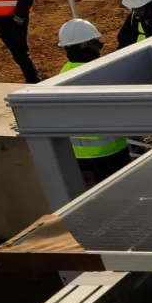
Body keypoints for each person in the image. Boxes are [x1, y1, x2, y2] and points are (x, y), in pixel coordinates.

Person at [55, 19, 130, 185]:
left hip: (79, 158)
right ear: (84, 45)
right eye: (97, 43)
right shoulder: (97, 75)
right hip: (110, 155)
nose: (100, 48)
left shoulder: (62, 76)